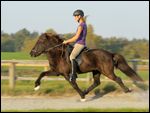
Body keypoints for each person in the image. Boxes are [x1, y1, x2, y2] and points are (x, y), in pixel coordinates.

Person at [63, 9, 87, 81]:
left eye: (75, 16)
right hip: (77, 43)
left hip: (80, 44)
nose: (74, 18)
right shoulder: (83, 24)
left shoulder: (81, 25)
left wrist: (67, 41)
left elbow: (76, 37)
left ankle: (73, 75)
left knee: (72, 56)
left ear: (79, 16)